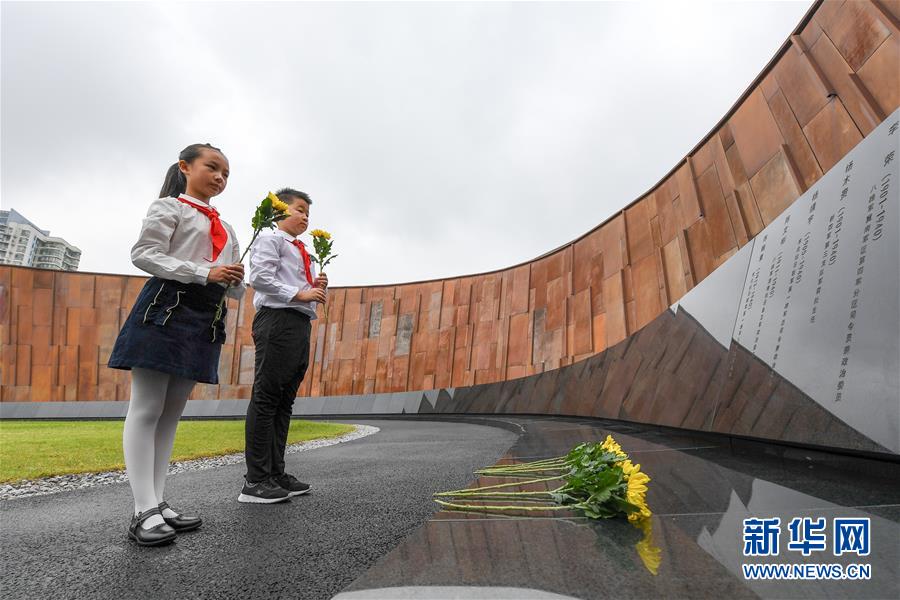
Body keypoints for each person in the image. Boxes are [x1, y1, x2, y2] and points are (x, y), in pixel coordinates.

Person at [108, 143, 246, 545]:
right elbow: (144, 254)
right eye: (212, 168)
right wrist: (205, 271)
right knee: (147, 407)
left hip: (204, 317)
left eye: (226, 174)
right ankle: (142, 509)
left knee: (171, 413)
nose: (220, 177)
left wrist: (232, 279)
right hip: (165, 308)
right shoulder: (169, 208)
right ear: (185, 167)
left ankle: (158, 501)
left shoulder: (229, 227)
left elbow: (230, 286)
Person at [239, 188, 327, 503]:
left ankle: (276, 473)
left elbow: (291, 283)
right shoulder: (270, 239)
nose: (305, 217)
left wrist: (314, 287)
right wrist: (301, 294)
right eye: (300, 209)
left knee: (284, 401)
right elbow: (260, 279)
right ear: (280, 212)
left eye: (308, 213)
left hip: (298, 324)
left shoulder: (303, 249)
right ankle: (256, 480)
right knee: (266, 398)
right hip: (276, 321)